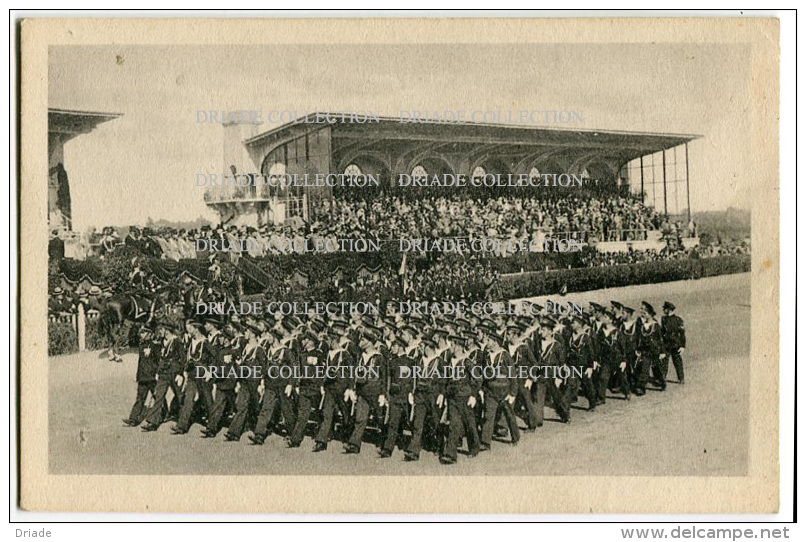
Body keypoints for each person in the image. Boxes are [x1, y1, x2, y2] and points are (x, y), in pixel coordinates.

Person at [440, 336, 481, 465]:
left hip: (465, 397)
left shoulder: (467, 362)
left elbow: (478, 378)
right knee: (454, 424)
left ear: (458, 346)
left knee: (469, 424)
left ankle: (474, 447)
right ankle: (450, 455)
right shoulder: (449, 361)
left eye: (452, 345)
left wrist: (473, 395)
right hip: (452, 398)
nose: (450, 348)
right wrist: (444, 394)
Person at [172, 320, 215, 434]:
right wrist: (184, 372)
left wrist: (210, 371)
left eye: (190, 329)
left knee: (207, 399)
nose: (189, 331)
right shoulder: (191, 342)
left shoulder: (205, 342)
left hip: (203, 374)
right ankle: (182, 426)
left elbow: (214, 357)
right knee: (188, 399)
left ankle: (212, 426)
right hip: (192, 374)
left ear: (196, 328)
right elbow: (187, 358)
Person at [141, 320, 185, 431]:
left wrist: (180, 374)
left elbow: (183, 358)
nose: (160, 331)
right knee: (158, 396)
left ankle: (184, 420)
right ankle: (152, 422)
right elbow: (161, 358)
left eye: (162, 329)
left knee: (180, 397)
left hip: (174, 373)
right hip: (163, 373)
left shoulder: (177, 341)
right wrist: (158, 371)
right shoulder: (161, 341)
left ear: (167, 330)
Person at [123, 325, 160, 427]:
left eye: (143, 333)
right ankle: (133, 419)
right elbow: (140, 362)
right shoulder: (141, 346)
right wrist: (137, 375)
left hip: (152, 377)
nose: (141, 335)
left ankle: (163, 413)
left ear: (149, 333)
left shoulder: (155, 346)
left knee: (158, 397)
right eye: (141, 333)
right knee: (140, 398)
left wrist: (157, 373)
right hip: (143, 377)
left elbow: (158, 361)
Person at [661, 301, 686, 384]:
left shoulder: (678, 320)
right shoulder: (663, 319)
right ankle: (663, 378)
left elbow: (682, 334)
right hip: (666, 344)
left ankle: (681, 378)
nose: (663, 310)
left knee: (677, 362)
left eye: (665, 309)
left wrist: (682, 346)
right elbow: (662, 332)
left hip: (675, 344)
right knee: (664, 362)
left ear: (668, 309)